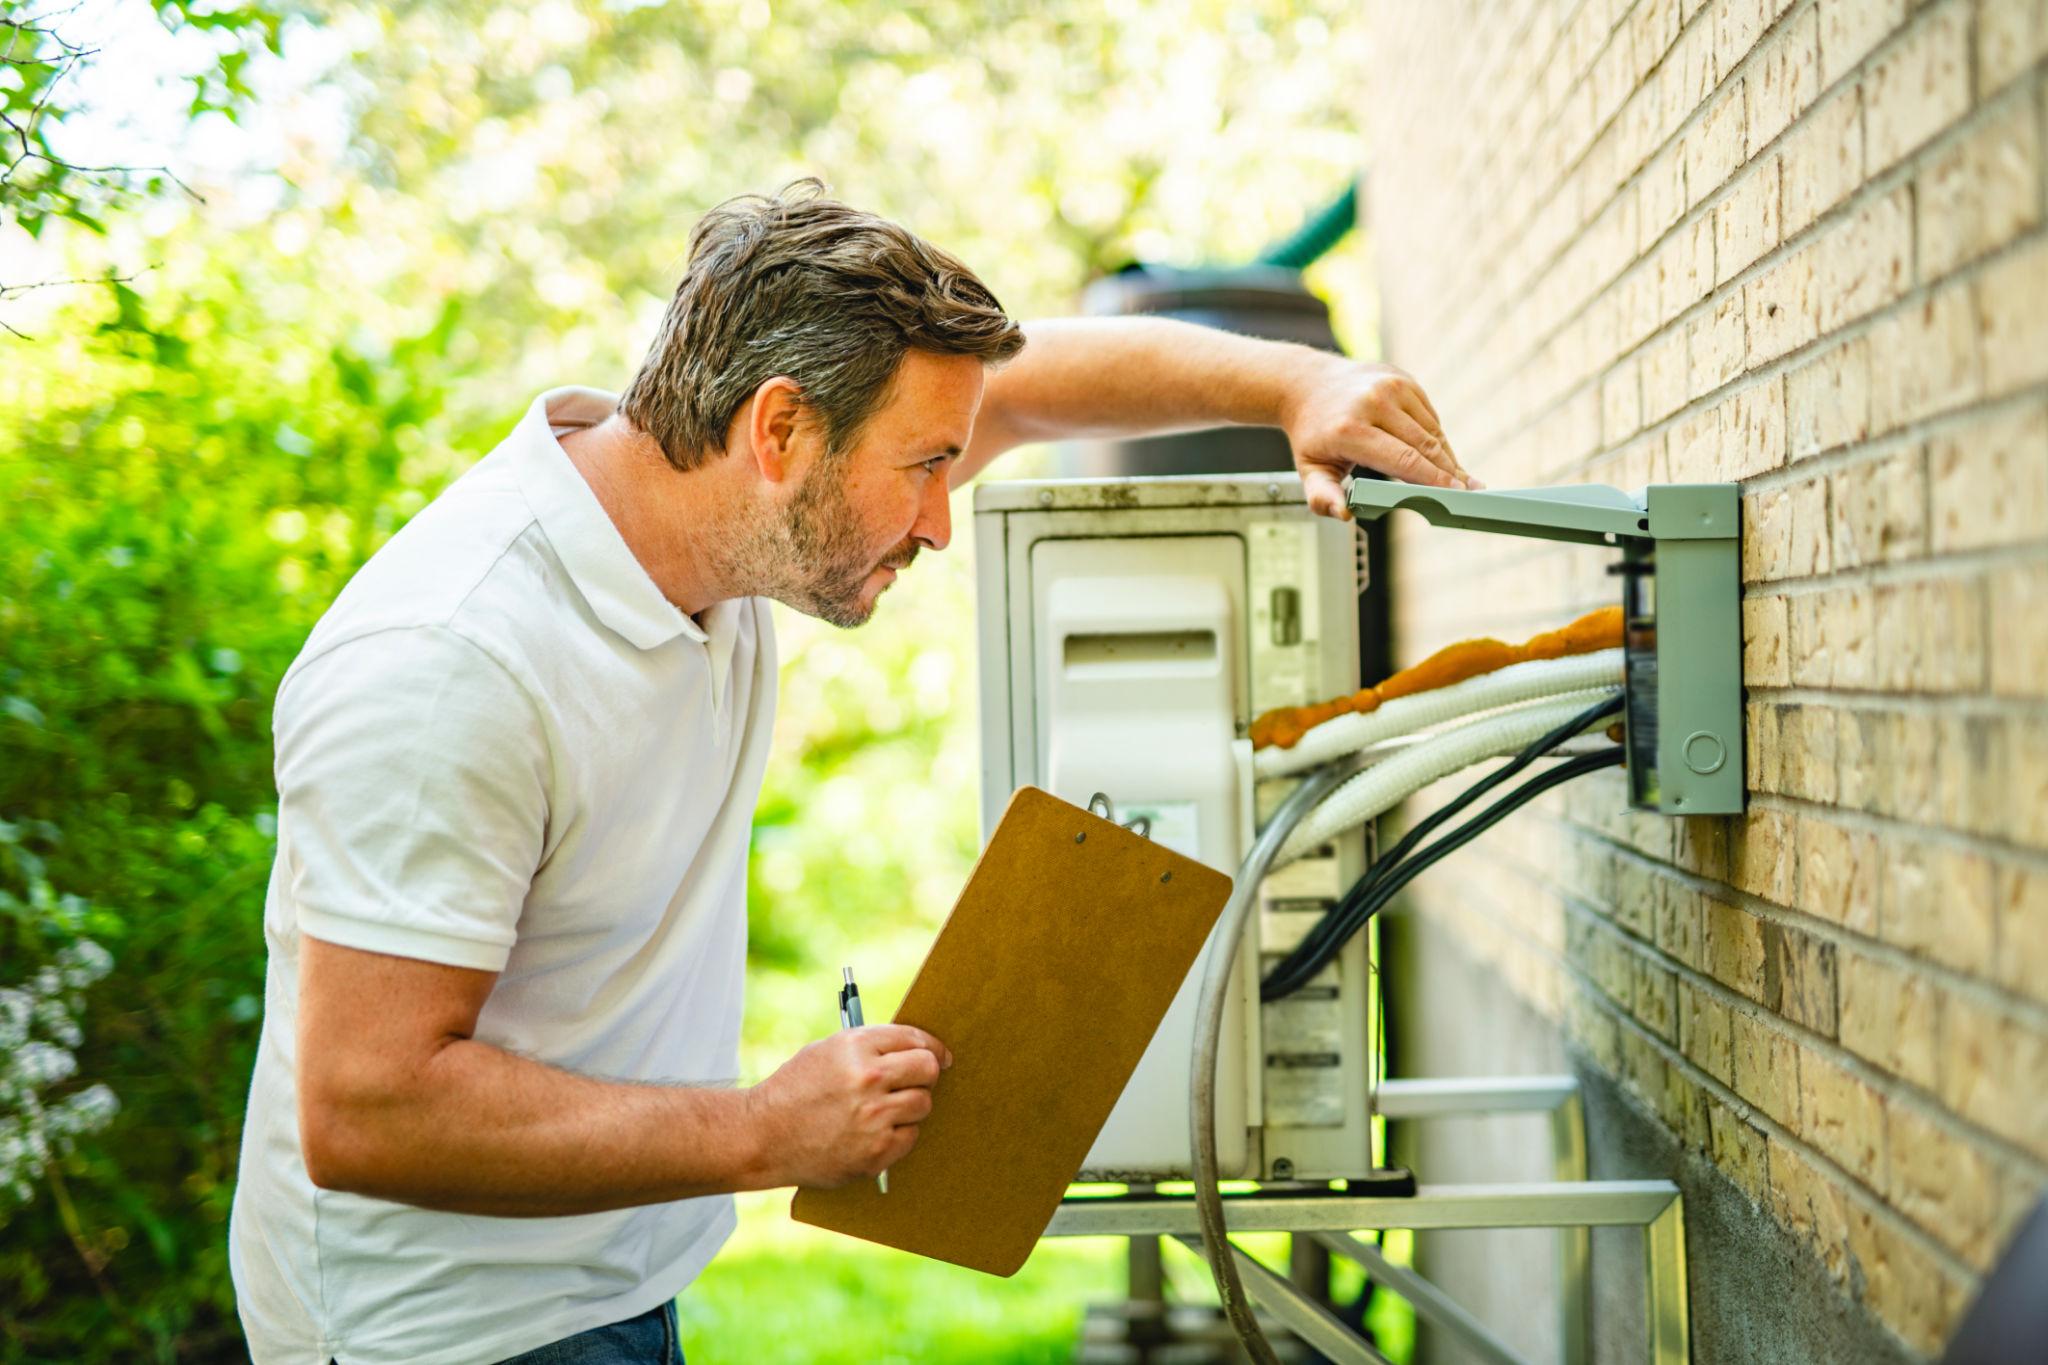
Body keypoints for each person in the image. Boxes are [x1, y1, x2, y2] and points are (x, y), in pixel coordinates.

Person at [227, 180, 1474, 1365]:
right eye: (925, 468)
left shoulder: (722, 514)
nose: (943, 519)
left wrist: (1301, 380)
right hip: (440, 1334)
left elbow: (1025, 394)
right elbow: (369, 1107)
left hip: (610, 1286)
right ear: (779, 429)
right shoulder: (451, 662)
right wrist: (768, 1131)